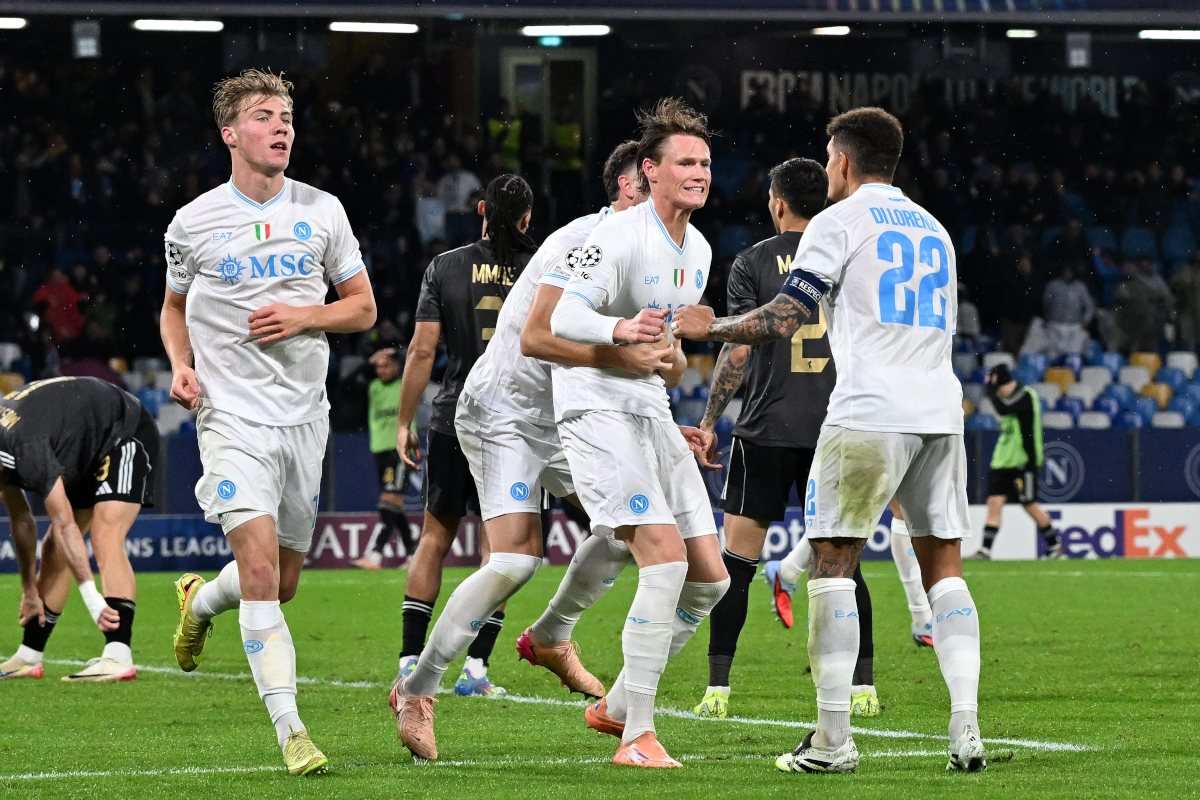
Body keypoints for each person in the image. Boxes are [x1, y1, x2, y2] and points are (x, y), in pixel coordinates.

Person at [673, 107, 986, 774]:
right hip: (939, 409)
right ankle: (965, 727)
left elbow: (783, 318)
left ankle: (833, 741)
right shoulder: (934, 229)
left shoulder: (837, 223)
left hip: (869, 410)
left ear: (841, 162)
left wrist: (711, 326)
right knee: (946, 571)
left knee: (834, 564)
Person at [389, 141, 682, 761]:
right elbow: (537, 339)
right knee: (515, 562)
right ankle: (418, 688)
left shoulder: (656, 258)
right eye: (648, 187)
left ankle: (552, 634)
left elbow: (651, 361)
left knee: (634, 530)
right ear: (630, 188)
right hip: (502, 414)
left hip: (560, 416)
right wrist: (625, 355)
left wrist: (656, 415)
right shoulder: (586, 240)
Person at [163, 70, 377, 777]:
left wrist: (305, 315)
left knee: (280, 584)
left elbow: (364, 310)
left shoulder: (323, 211)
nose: (282, 126)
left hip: (302, 419)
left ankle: (199, 600)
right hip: (230, 418)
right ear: (231, 133)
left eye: (287, 116)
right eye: (264, 116)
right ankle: (293, 732)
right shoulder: (193, 222)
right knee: (259, 569)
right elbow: (173, 307)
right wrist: (181, 364)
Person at [546, 99, 731, 768]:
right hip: (595, 409)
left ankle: (619, 703)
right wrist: (618, 329)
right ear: (649, 170)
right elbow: (565, 316)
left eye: (705, 163)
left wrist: (680, 348)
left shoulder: (699, 248)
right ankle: (638, 737)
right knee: (666, 557)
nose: (699, 172)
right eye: (685, 162)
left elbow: (670, 355)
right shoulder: (619, 235)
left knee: (710, 580)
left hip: (648, 409)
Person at [687, 157, 880, 721]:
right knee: (844, 563)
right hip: (834, 427)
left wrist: (708, 419)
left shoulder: (751, 261)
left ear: (776, 202)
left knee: (737, 564)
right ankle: (862, 687)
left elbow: (740, 347)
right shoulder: (847, 253)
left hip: (766, 430)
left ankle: (718, 689)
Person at [391, 174, 539, 700]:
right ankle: (475, 668)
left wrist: (404, 421)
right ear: (526, 218)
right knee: (500, 551)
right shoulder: (540, 267)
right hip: (516, 425)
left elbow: (421, 351)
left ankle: (410, 661)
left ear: (479, 209)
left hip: (455, 415)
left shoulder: (445, 265)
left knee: (435, 537)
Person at [0, 376, 156, 682]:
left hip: (123, 430)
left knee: (105, 534)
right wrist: (29, 589)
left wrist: (92, 598)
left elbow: (64, 523)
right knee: (54, 547)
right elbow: (21, 520)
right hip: (82, 445)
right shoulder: (5, 453)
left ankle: (118, 655)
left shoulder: (26, 449)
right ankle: (29, 656)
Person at [976, 364, 1062, 560]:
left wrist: (990, 390)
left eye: (1000, 389)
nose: (1000, 394)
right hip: (1002, 461)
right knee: (994, 502)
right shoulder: (1012, 397)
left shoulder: (1026, 395)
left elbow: (1004, 409)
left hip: (1023, 461)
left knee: (1029, 504)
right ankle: (985, 550)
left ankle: (1054, 546)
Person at [352, 348, 416, 570]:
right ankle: (412, 556)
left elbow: (419, 362)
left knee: (389, 500)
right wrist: (367, 361)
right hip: (380, 448)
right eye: (378, 367)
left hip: (399, 449)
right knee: (393, 504)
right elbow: (348, 384)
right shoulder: (374, 387)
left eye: (386, 365)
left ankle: (376, 554)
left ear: (397, 367)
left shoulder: (405, 386)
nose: (381, 370)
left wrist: (404, 353)